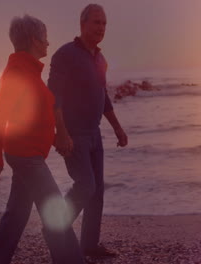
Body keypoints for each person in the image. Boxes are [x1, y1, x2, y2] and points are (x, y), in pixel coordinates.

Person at [0, 15, 85, 264]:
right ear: (33, 40)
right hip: (26, 156)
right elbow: (0, 117)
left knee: (16, 215)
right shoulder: (17, 72)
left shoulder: (29, 70)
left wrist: (55, 140)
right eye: (45, 38)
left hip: (29, 153)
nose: (48, 44)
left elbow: (30, 118)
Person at [48, 4, 128, 258]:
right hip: (74, 133)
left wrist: (117, 128)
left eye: (104, 23)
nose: (101, 28)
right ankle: (54, 229)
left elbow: (102, 97)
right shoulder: (65, 55)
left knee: (97, 191)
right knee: (85, 186)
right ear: (82, 24)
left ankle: (90, 246)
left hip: (94, 134)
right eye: (96, 22)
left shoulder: (100, 59)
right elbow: (54, 96)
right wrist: (60, 132)